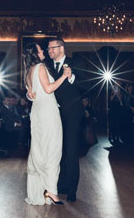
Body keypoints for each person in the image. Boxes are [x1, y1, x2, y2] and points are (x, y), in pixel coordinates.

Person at [24, 43, 71, 205]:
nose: (43, 51)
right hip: (48, 113)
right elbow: (49, 89)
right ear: (36, 54)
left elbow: (31, 93)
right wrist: (64, 76)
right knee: (53, 149)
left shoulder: (28, 71)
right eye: (40, 49)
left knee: (39, 150)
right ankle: (51, 191)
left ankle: (41, 190)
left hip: (37, 113)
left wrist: (29, 94)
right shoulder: (41, 67)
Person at [44, 37, 87, 202]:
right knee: (57, 152)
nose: (49, 51)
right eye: (48, 49)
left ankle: (71, 190)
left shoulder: (76, 62)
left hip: (73, 115)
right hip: (53, 115)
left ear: (61, 48)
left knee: (71, 151)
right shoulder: (47, 67)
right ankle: (60, 185)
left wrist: (72, 78)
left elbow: (87, 84)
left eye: (52, 48)